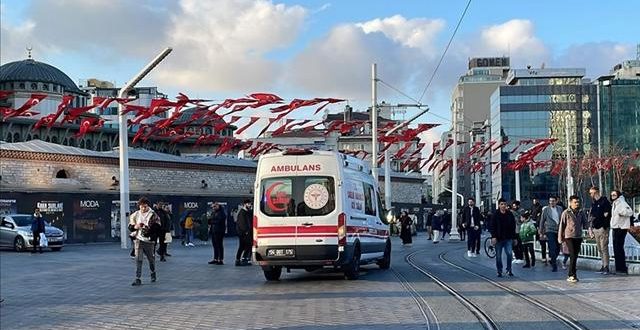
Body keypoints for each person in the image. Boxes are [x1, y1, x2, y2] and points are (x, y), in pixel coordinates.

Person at [129, 197, 161, 286]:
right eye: (141, 206)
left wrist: (149, 232)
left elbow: (158, 227)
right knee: (138, 259)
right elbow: (130, 226)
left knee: (151, 259)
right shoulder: (136, 214)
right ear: (139, 206)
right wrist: (135, 227)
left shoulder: (153, 215)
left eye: (145, 206)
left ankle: (153, 272)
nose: (143, 208)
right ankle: (137, 278)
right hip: (138, 239)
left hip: (149, 241)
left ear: (148, 206)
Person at [558, 195, 588, 283]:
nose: (577, 204)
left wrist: (590, 231)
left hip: (578, 236)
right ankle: (571, 274)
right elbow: (561, 225)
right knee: (572, 254)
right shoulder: (566, 213)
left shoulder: (581, 212)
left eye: (578, 202)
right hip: (569, 236)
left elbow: (585, 223)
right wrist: (560, 237)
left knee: (575, 256)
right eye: (575, 202)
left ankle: (573, 273)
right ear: (570, 203)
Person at [587, 186, 612, 274]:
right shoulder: (594, 203)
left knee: (604, 247)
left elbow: (606, 215)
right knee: (599, 248)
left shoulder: (604, 202)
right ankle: (603, 264)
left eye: (591, 193)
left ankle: (606, 266)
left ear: (595, 192)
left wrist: (603, 224)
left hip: (603, 228)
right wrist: (591, 228)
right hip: (595, 228)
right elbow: (592, 216)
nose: (590, 195)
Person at [490, 198, 517, 277]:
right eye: (501, 204)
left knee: (509, 254)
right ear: (499, 205)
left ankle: (509, 269)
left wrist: (514, 238)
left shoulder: (510, 214)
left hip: (508, 238)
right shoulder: (495, 215)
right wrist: (493, 237)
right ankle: (499, 270)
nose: (503, 206)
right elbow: (492, 226)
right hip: (498, 238)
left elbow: (513, 226)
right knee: (498, 256)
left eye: (504, 204)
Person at [609, 190, 634, 275]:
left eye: (614, 195)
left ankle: (622, 268)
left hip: (621, 228)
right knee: (616, 248)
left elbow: (630, 212)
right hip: (615, 227)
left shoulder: (622, 202)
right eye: (612, 195)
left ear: (618, 195)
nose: (613, 196)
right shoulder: (615, 203)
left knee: (619, 248)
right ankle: (618, 268)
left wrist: (621, 213)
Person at [539, 196, 564, 272]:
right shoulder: (546, 210)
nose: (552, 202)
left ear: (556, 201)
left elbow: (563, 219)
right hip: (550, 230)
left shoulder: (560, 208)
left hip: (558, 230)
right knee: (552, 247)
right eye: (550, 201)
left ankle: (553, 258)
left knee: (557, 248)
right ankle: (554, 265)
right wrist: (541, 231)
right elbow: (542, 220)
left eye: (553, 201)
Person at [235, 199, 253, 266]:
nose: (250, 205)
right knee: (242, 246)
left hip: (246, 233)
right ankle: (238, 260)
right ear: (245, 204)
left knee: (248, 246)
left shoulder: (247, 212)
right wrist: (246, 231)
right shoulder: (242, 213)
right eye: (248, 204)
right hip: (243, 233)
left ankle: (244, 259)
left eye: (250, 204)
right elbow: (242, 223)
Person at [531, 198, 547, 264]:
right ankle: (544, 257)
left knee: (550, 245)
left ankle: (551, 257)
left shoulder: (540, 209)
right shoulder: (539, 217)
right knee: (543, 244)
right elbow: (538, 223)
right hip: (542, 231)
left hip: (548, 231)